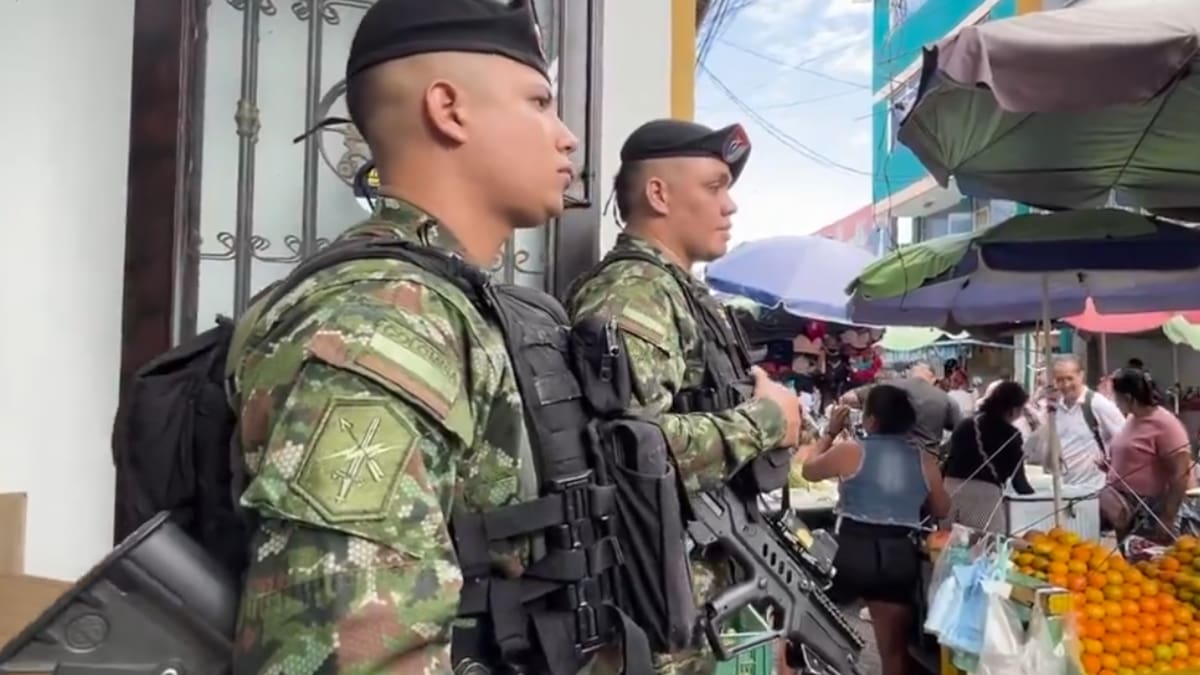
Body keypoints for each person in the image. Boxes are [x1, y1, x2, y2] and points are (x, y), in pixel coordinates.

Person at [224, 2, 651, 674]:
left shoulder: (450, 302)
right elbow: (342, 652)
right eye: (539, 101)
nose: (566, 136)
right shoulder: (383, 319)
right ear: (449, 109)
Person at [566, 119, 803, 673]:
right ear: (658, 193)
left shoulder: (677, 293)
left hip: (687, 600)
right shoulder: (637, 292)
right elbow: (621, 451)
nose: (731, 206)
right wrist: (765, 421)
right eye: (715, 186)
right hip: (652, 618)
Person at [799, 387, 951, 675]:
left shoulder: (851, 450)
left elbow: (808, 470)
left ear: (871, 419)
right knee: (893, 651)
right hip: (899, 557)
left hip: (852, 552)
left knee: (818, 631)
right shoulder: (924, 459)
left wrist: (829, 433)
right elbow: (942, 508)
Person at [1100, 368, 1194, 543]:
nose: (1115, 403)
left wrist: (1167, 517)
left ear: (1128, 398)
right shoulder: (1132, 419)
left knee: (1152, 564)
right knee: (1128, 563)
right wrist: (1112, 465)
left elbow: (1181, 474)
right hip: (1124, 508)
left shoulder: (1165, 425)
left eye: (1116, 398)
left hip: (1152, 510)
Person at [942, 381, 1035, 533]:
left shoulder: (965, 424)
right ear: (1013, 409)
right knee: (985, 546)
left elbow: (947, 461)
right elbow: (1020, 483)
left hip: (950, 490)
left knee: (948, 546)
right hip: (983, 497)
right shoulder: (1011, 435)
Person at [1026, 354, 1125, 493]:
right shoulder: (1054, 407)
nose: (1066, 385)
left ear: (1081, 375)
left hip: (1095, 490)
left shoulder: (1097, 404)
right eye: (1060, 380)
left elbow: (1124, 439)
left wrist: (1111, 462)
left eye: (1069, 378)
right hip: (1063, 489)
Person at [840, 360, 961, 457]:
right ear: (934, 378)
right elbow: (961, 432)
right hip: (927, 461)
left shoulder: (889, 387)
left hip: (887, 458)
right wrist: (941, 452)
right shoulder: (945, 399)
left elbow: (848, 398)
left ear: (909, 373)